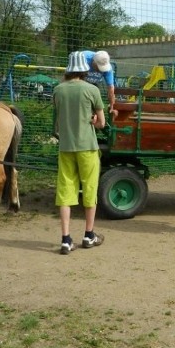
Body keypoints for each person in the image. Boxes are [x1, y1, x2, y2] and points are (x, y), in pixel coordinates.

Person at [53, 51, 106, 255]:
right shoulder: (91, 90)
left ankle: (66, 239)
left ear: (68, 69)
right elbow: (101, 123)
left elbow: (59, 118)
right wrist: (93, 120)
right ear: (84, 70)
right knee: (90, 189)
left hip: (66, 146)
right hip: (87, 147)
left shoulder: (58, 90)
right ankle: (88, 234)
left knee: (65, 192)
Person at [80, 50, 118, 118]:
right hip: (80, 81)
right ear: (94, 61)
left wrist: (112, 106)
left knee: (96, 104)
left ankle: (93, 120)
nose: (100, 70)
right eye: (98, 67)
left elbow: (111, 88)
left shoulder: (108, 69)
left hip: (95, 84)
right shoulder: (83, 58)